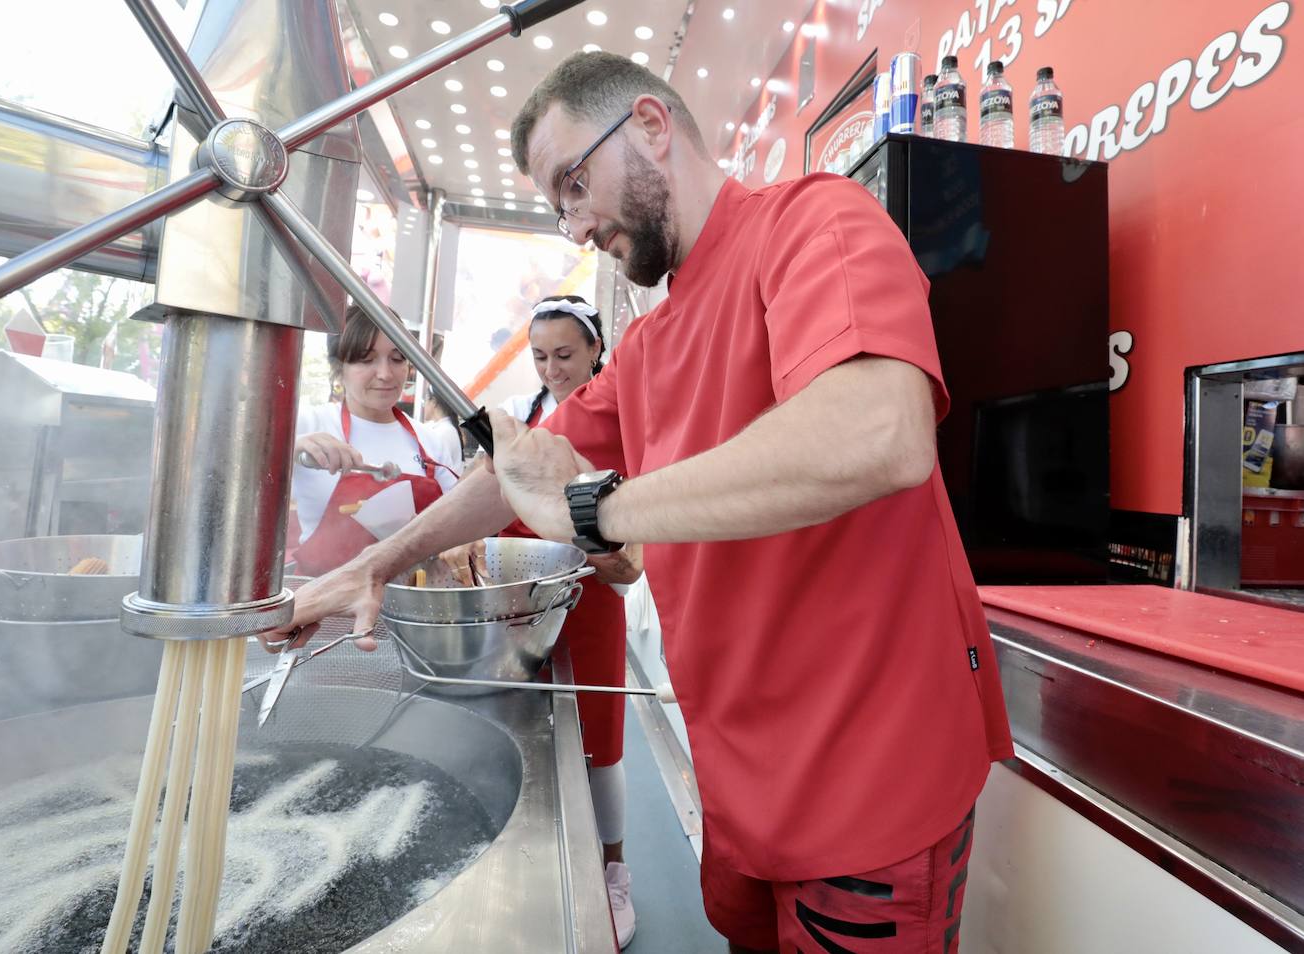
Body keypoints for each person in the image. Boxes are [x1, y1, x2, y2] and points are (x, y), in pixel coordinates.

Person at [271, 52, 1013, 954]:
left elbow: (876, 432)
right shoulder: (652, 343)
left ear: (653, 126)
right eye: (559, 205)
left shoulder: (815, 222)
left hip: (868, 776)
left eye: (576, 184)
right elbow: (514, 474)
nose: (577, 225)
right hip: (740, 774)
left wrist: (597, 512)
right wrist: (367, 568)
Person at [455, 293, 641, 947]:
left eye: (565, 355)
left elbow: (629, 544)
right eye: (539, 357)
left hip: (590, 601)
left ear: (597, 349)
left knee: (598, 743)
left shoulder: (624, 419)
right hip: (519, 602)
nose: (552, 369)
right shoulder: (521, 418)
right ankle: (529, 852)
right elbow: (483, 491)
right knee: (526, 737)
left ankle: (614, 867)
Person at [290, 304, 461, 576]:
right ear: (338, 367)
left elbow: (459, 523)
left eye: (397, 358)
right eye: (366, 359)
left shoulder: (431, 441)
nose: (385, 374)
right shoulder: (307, 424)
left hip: (409, 606)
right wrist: (293, 447)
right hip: (327, 608)